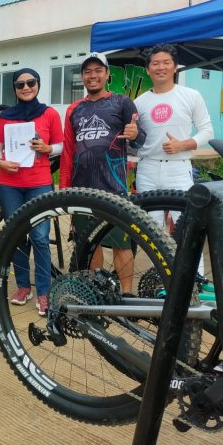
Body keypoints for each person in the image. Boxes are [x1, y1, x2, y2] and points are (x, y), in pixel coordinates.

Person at [59, 53, 146, 294]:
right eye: (88, 71)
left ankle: (128, 295)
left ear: (107, 74)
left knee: (121, 244)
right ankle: (96, 291)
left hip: (113, 188)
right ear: (82, 77)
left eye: (98, 70)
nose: (92, 75)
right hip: (81, 188)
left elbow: (141, 140)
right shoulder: (74, 109)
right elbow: (68, 151)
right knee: (89, 243)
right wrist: (64, 189)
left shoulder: (122, 102)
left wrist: (135, 135)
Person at [0, 68, 64, 316]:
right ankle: (23, 286)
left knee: (40, 237)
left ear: (38, 84)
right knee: (17, 235)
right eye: (20, 84)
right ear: (14, 88)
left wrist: (47, 147)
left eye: (30, 82)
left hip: (39, 183)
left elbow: (61, 146)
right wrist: (0, 162)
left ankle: (44, 291)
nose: (25, 88)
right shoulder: (5, 117)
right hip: (10, 185)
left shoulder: (50, 114)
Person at [134, 44, 214, 226]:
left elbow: (207, 132)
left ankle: (190, 257)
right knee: (151, 229)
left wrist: (182, 145)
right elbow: (136, 141)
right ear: (147, 70)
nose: (160, 67)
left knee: (185, 226)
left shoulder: (191, 95)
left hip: (178, 169)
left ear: (175, 67)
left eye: (166, 62)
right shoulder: (139, 103)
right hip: (147, 169)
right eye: (155, 64)